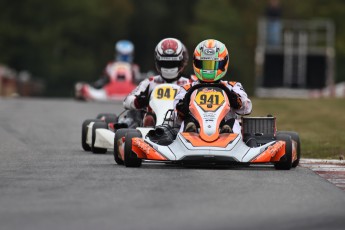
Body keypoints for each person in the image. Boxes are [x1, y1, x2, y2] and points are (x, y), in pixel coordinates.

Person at [174, 39, 252, 134]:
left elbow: (247, 108)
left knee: (233, 122)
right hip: (196, 130)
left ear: (224, 63)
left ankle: (226, 130)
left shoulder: (233, 86)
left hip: (224, 128)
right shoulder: (186, 89)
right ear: (196, 63)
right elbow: (175, 115)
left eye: (214, 64)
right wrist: (182, 108)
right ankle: (191, 129)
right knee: (187, 122)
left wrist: (237, 100)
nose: (209, 69)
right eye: (205, 64)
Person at [122, 38, 193, 127]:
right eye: (165, 63)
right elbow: (126, 101)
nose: (169, 67)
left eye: (173, 63)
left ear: (181, 62)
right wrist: (138, 101)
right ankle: (146, 129)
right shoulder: (150, 82)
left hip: (179, 123)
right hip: (152, 125)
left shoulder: (189, 83)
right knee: (135, 114)